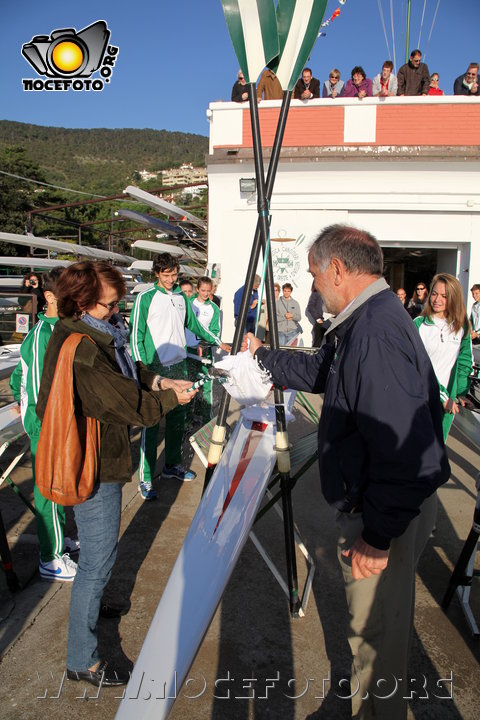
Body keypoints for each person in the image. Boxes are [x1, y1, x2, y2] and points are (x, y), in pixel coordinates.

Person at [247, 224, 449, 719]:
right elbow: (323, 371)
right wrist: (261, 358)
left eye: (315, 275)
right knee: (372, 632)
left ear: (338, 269)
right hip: (380, 505)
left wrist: (376, 537)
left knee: (375, 635)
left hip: (382, 514)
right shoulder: (366, 320)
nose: (314, 286)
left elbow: (407, 453)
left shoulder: (375, 333)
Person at [35, 261, 196, 688]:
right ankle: (81, 659)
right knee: (97, 560)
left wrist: (159, 381)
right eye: (110, 304)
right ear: (82, 303)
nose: (117, 310)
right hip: (94, 463)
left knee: (99, 556)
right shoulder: (83, 345)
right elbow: (124, 403)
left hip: (103, 457)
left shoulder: (96, 333)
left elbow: (127, 374)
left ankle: (99, 605)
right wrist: (171, 401)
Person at [130, 253, 230, 495]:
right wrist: (141, 369)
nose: (171, 279)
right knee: (151, 424)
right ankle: (145, 478)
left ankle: (172, 465)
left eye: (174, 274)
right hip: (155, 369)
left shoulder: (181, 298)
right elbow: (135, 335)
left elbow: (194, 326)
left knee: (177, 420)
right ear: (156, 273)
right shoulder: (145, 298)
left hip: (180, 366)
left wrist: (219, 341)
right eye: (166, 275)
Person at [10, 268, 79, 581]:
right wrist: (44, 425)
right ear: (50, 297)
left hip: (58, 422)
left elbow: (17, 377)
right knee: (48, 490)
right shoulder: (43, 335)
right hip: (46, 425)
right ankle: (50, 558)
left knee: (59, 485)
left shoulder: (64, 327)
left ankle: (58, 539)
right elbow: (39, 389)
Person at [414, 274, 473, 440]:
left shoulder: (462, 325)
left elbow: (464, 360)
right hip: (420, 399)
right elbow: (417, 365)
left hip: (447, 403)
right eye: (434, 293)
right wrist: (443, 396)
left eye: (444, 296)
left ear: (453, 298)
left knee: (437, 449)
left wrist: (461, 392)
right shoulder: (419, 324)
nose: (437, 299)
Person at [186, 276, 222, 422]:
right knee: (190, 384)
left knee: (206, 384)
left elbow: (215, 331)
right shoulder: (189, 304)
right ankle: (187, 420)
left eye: (208, 291)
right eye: (203, 290)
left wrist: (204, 343)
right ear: (197, 289)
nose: (206, 294)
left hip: (205, 351)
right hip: (188, 351)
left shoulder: (213, 308)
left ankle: (206, 418)